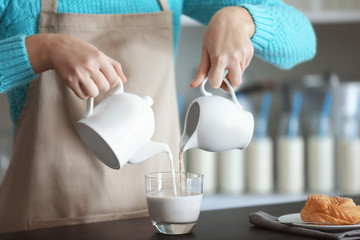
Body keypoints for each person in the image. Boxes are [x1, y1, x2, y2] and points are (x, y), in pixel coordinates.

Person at [0, 0, 316, 233]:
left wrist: (243, 19)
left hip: (153, 222)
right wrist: (40, 50)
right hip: (40, 223)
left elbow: (303, 42)